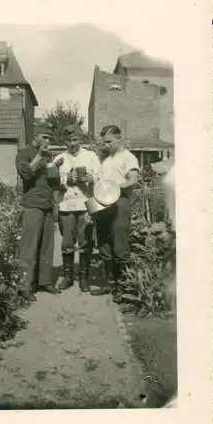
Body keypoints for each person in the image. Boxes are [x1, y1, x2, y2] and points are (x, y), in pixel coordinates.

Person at [90, 124, 140, 297]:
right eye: (104, 142)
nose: (106, 145)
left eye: (109, 141)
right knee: (104, 243)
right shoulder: (106, 160)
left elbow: (133, 179)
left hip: (120, 203)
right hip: (104, 204)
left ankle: (122, 287)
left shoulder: (128, 157)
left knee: (119, 245)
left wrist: (114, 188)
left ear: (119, 138)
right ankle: (109, 284)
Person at [53, 124, 101, 292]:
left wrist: (90, 177)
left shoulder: (91, 156)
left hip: (86, 204)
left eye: (75, 139)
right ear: (65, 141)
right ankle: (67, 277)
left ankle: (83, 278)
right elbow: (53, 182)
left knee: (85, 241)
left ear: (80, 139)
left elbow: (100, 177)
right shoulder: (59, 159)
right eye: (69, 140)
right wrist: (66, 180)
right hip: (66, 204)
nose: (72, 143)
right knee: (67, 242)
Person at [15, 130, 60, 302]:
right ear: (35, 136)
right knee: (29, 246)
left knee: (47, 246)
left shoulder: (48, 155)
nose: (48, 140)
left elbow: (53, 182)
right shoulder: (24, 152)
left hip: (48, 204)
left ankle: (44, 281)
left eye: (50, 137)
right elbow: (25, 174)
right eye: (45, 137)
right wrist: (39, 156)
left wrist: (57, 168)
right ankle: (24, 285)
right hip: (32, 205)